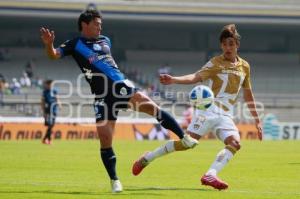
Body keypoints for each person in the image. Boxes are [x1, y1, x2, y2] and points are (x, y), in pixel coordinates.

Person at [40, 9, 198, 193]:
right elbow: (53, 55)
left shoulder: (105, 40)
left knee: (151, 107)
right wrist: (49, 45)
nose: (100, 27)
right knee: (105, 138)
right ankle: (115, 180)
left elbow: (107, 64)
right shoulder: (75, 44)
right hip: (101, 95)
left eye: (101, 24)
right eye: (96, 24)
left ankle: (184, 138)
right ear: (85, 24)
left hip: (120, 86)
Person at [132, 24, 263, 190]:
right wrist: (174, 80)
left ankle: (211, 174)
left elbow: (248, 93)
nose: (227, 47)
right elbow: (195, 77)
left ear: (237, 44)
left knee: (235, 143)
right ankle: (147, 158)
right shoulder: (216, 63)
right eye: (224, 44)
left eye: (231, 43)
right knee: (188, 143)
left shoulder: (245, 66)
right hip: (208, 109)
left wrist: (257, 119)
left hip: (225, 114)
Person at [41, 80, 59, 145]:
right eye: (48, 84)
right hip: (48, 110)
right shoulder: (45, 92)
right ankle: (49, 140)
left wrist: (59, 103)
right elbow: (42, 102)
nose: (50, 86)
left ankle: (45, 139)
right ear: (47, 85)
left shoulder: (54, 91)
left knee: (51, 125)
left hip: (54, 110)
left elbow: (57, 98)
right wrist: (43, 111)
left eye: (51, 84)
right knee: (50, 125)